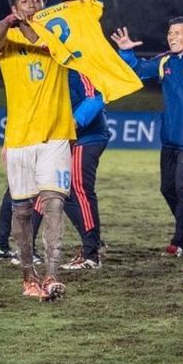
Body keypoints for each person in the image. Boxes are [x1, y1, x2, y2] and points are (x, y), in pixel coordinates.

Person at [0, 0, 95, 300]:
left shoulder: (57, 37)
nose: (32, 2)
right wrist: (10, 23)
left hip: (56, 135)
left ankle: (51, 275)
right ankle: (28, 278)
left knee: (53, 204)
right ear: (14, 7)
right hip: (20, 138)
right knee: (21, 211)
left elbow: (77, 32)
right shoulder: (8, 39)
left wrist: (84, 5)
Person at [111, 17, 183, 257]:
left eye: (177, 33)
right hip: (169, 140)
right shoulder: (164, 62)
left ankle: (179, 240)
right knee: (167, 188)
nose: (171, 37)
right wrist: (126, 52)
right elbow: (138, 70)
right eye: (169, 33)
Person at [59, 70, 109, 270]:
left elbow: (95, 96)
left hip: (86, 137)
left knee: (80, 192)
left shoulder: (78, 65)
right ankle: (93, 242)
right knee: (66, 193)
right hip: (69, 137)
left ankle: (91, 254)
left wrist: (74, 122)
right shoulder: (56, 67)